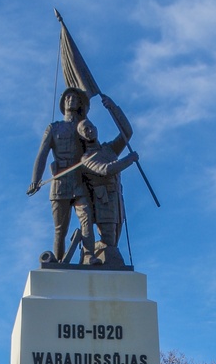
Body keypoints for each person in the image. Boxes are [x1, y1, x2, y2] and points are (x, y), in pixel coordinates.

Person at [27, 87, 97, 263]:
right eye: (68, 97)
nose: (71, 99)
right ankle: (58, 262)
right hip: (59, 181)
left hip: (79, 179)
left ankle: (89, 255)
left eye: (74, 97)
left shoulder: (84, 127)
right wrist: (35, 180)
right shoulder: (54, 128)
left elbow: (95, 147)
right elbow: (42, 155)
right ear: (63, 103)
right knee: (60, 229)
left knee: (86, 217)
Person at [77, 96, 138, 266]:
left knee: (113, 243)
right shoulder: (86, 157)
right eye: (85, 130)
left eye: (90, 127)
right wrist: (129, 160)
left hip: (117, 199)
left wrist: (113, 108)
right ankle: (92, 255)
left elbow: (127, 132)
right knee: (109, 242)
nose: (89, 131)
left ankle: (103, 258)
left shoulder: (109, 149)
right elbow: (106, 170)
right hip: (103, 201)